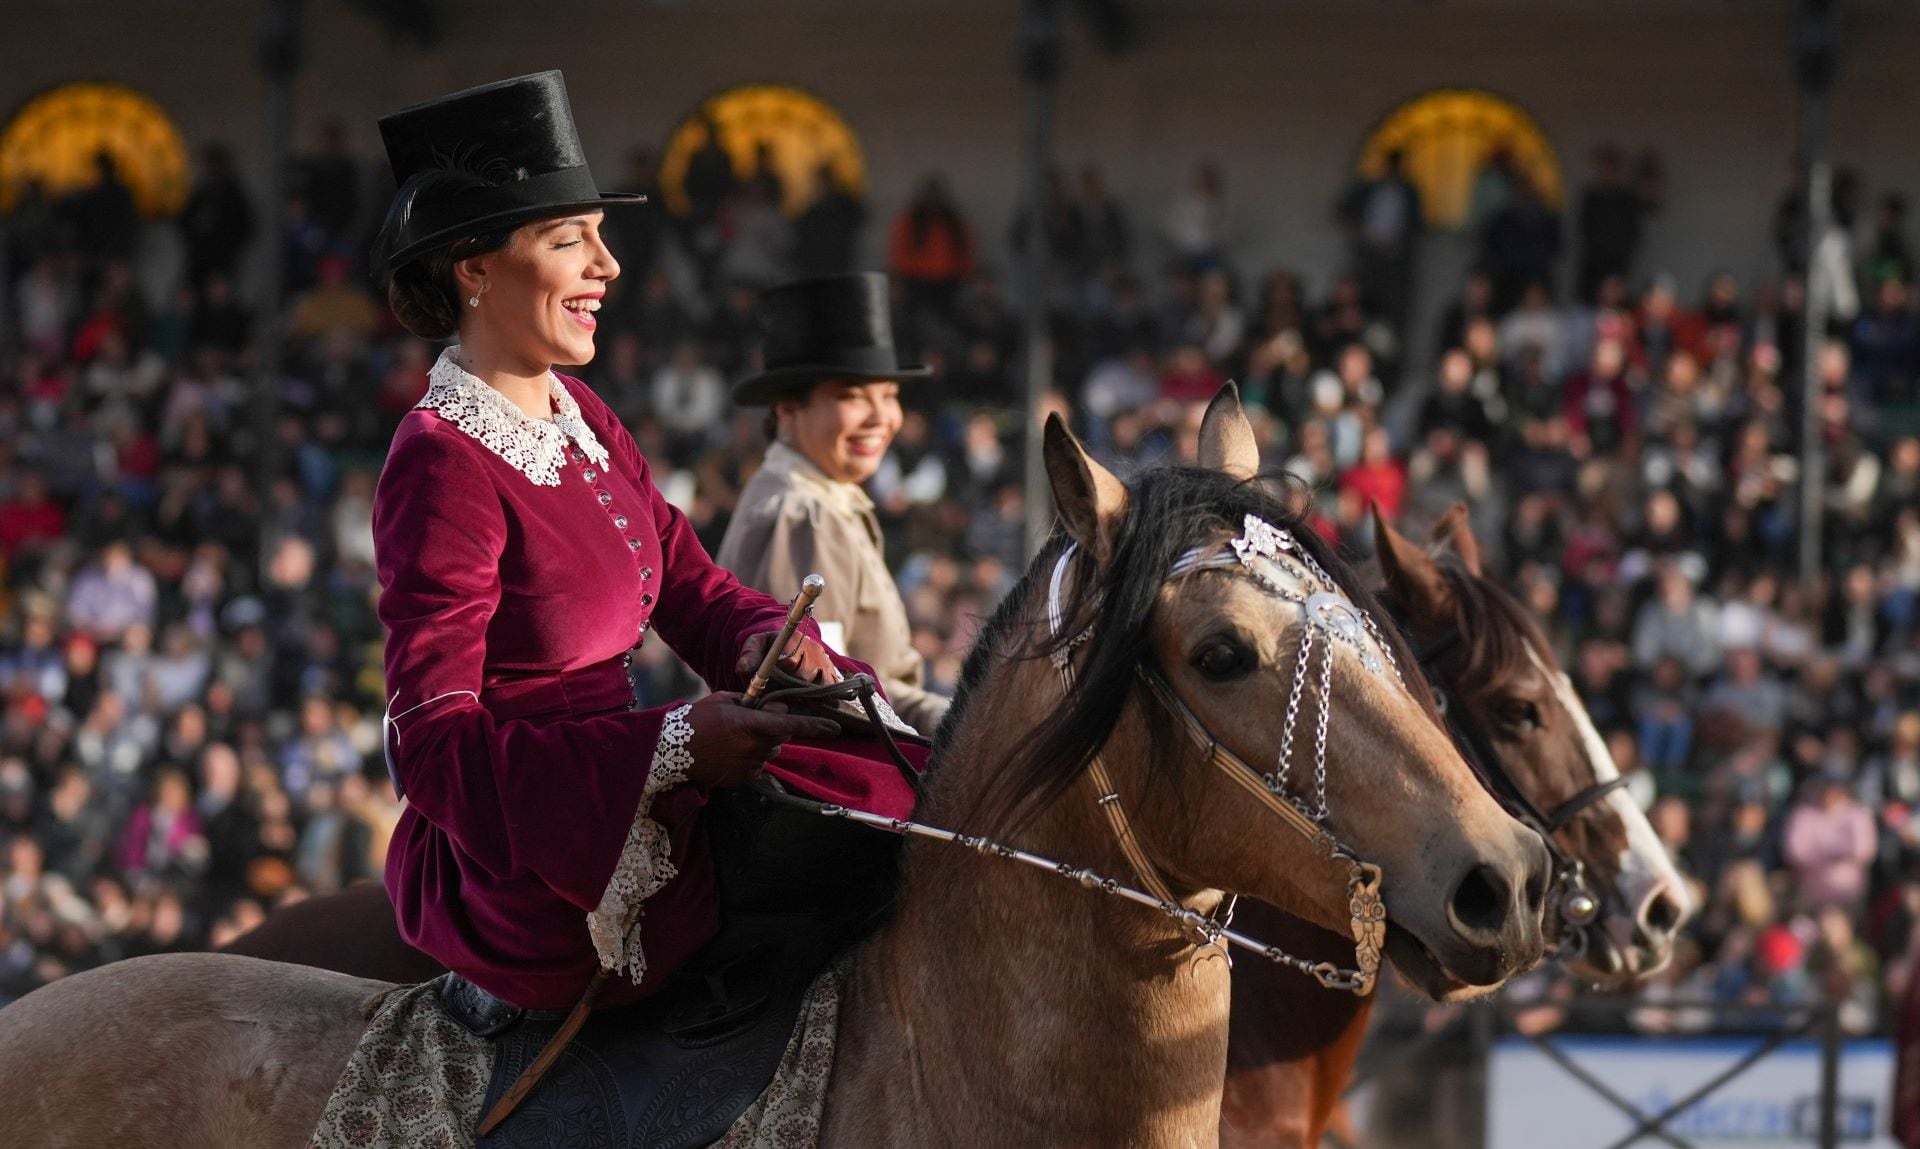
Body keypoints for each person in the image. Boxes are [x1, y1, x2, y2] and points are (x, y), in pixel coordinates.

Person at [368, 73, 916, 1012]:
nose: (607, 265)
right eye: (568, 239)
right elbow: (433, 750)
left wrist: (763, 641)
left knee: (895, 791)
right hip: (537, 857)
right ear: (475, 265)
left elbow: (694, 589)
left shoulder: (580, 411)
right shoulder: (439, 460)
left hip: (633, 780)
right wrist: (666, 749)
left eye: (600, 236)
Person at [717, 273, 952, 734]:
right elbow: (822, 700)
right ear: (788, 410)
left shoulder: (817, 498)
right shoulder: (805, 513)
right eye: (850, 396)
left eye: (889, 395)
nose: (881, 418)